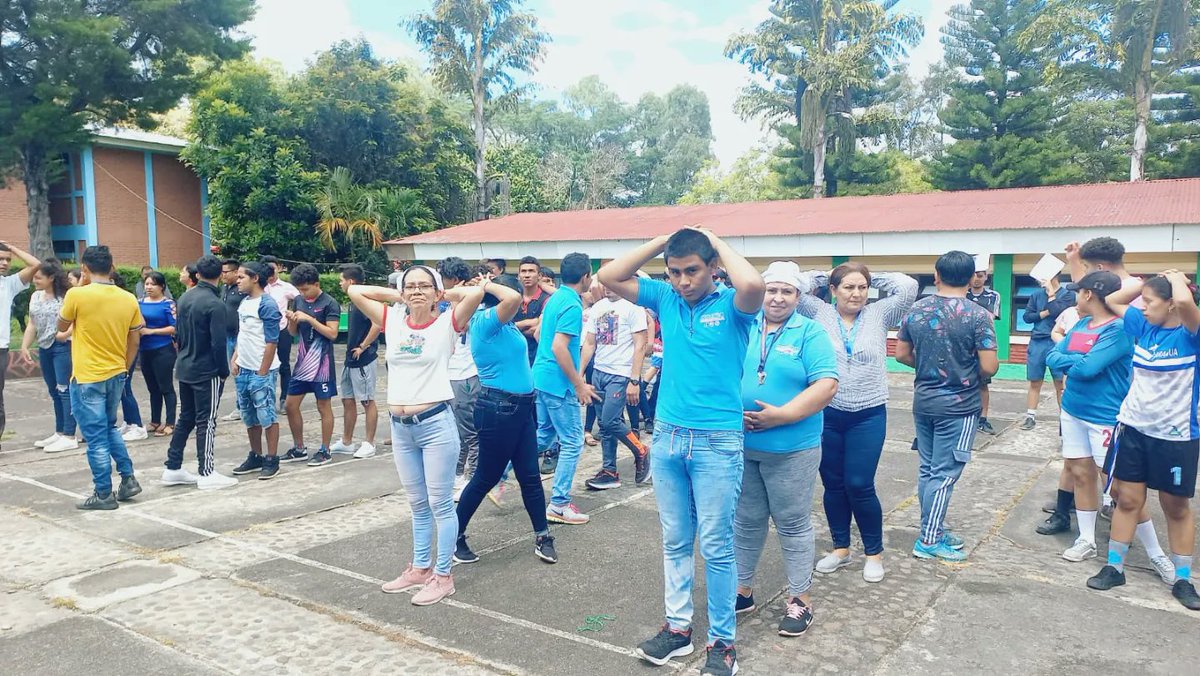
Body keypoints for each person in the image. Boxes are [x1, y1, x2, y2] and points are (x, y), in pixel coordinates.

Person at [599, 227, 765, 676]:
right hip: (670, 436)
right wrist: (659, 240)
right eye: (674, 273)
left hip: (717, 440)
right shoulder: (665, 298)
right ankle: (677, 629)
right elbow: (610, 275)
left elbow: (753, 285)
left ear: (713, 267)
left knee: (716, 544)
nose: (683, 281)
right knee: (675, 539)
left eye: (692, 271)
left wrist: (715, 240)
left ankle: (722, 643)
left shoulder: (733, 306)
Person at [347, 266, 484, 607]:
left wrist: (437, 295)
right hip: (400, 428)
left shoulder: (447, 323)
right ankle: (420, 568)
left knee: (440, 505)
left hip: (436, 425)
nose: (416, 291)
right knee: (417, 504)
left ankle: (443, 576)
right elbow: (354, 292)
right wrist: (401, 295)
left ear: (438, 292)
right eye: (411, 286)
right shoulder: (393, 320)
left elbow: (476, 294)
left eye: (424, 286)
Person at [734, 261, 838, 637]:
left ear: (798, 297)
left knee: (792, 524)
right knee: (745, 521)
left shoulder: (810, 332)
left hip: (792, 447)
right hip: (742, 446)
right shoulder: (744, 326)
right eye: (771, 290)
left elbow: (826, 384)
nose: (777, 298)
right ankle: (742, 589)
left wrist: (782, 416)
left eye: (786, 291)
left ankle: (800, 599)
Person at [798, 263, 919, 583]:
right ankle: (840, 548)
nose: (856, 293)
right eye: (848, 287)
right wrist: (829, 274)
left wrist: (866, 274)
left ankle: (874, 553)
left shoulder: (879, 314)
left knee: (859, 484)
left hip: (868, 412)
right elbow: (796, 285)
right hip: (826, 411)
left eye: (862, 288)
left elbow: (907, 286)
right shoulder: (819, 312)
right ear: (834, 291)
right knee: (833, 484)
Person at [1087, 273, 1200, 609]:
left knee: (1175, 506)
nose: (1144, 307)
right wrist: (1147, 282)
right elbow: (1115, 301)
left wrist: (1177, 278)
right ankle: (1114, 567)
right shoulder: (1143, 328)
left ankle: (1182, 578)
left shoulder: (1191, 335)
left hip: (1176, 437)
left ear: (1171, 304)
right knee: (1128, 500)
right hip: (1133, 429)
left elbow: (1184, 303)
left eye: (1151, 302)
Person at [896, 250, 999, 562]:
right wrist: (962, 371)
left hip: (924, 401)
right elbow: (991, 366)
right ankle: (929, 540)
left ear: (936, 276)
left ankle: (933, 529)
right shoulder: (978, 315)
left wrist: (929, 366)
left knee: (929, 469)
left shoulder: (916, 310)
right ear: (971, 279)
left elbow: (901, 354)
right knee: (945, 473)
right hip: (959, 406)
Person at [453, 274, 559, 565]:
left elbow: (521, 310)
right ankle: (455, 536)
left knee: (530, 477)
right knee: (485, 477)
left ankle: (542, 535)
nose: (521, 300)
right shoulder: (484, 322)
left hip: (521, 408)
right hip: (498, 409)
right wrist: (484, 285)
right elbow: (512, 299)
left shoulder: (506, 325)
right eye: (514, 293)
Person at [1041, 271, 1132, 562]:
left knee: (1117, 484)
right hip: (1073, 410)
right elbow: (1052, 358)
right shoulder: (1080, 324)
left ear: (1089, 294)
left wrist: (1076, 361)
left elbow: (1088, 369)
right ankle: (1086, 539)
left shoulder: (1118, 329)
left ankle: (1146, 548)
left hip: (1104, 416)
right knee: (1081, 474)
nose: (1075, 296)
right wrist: (1080, 360)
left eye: (1078, 291)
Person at [58, 245, 143, 509]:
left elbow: (61, 326)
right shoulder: (128, 298)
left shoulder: (76, 295)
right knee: (108, 427)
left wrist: (82, 285)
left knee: (95, 436)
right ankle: (128, 478)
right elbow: (135, 337)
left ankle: (104, 493)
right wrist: (125, 367)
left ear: (84, 268)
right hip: (116, 372)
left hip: (87, 376)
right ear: (112, 267)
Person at [530, 253, 601, 525]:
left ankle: (498, 478)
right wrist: (578, 383)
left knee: (545, 434)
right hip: (559, 384)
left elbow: (539, 335)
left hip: (542, 378)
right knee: (572, 441)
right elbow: (559, 347)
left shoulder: (554, 299)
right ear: (585, 277)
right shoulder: (571, 305)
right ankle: (559, 504)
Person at [164, 255, 234, 490]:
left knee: (186, 417)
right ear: (220, 275)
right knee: (207, 420)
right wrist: (223, 371)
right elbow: (218, 343)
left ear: (197, 274)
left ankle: (172, 467)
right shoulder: (215, 304)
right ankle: (206, 472)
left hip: (185, 365)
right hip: (206, 370)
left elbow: (178, 334)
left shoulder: (185, 297)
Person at [579, 280, 650, 490]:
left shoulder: (633, 308)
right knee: (604, 425)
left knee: (610, 421)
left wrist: (634, 380)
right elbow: (590, 343)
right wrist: (580, 374)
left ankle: (641, 450)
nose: (607, 288)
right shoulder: (598, 308)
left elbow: (640, 345)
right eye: (604, 284)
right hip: (599, 372)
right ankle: (609, 471)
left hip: (620, 374)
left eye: (612, 283)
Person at [282, 263, 341, 466]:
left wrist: (310, 319)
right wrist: (292, 320)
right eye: (299, 289)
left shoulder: (329, 303)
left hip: (322, 364)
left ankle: (325, 450)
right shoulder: (298, 300)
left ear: (316, 284)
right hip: (301, 362)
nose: (302, 293)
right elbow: (293, 333)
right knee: (290, 405)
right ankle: (299, 448)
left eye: (306, 289)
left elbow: (332, 334)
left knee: (323, 405)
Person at [230, 262, 284, 480]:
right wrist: (235, 358)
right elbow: (243, 335)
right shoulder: (244, 302)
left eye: (242, 276)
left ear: (255, 278)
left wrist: (263, 372)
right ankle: (256, 455)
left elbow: (272, 341)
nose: (237, 279)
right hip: (244, 367)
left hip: (262, 370)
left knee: (266, 414)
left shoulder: (267, 304)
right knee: (249, 415)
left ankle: (272, 458)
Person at [22, 260, 78, 453]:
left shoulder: (66, 296)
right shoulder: (35, 296)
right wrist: (25, 346)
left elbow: (76, 320)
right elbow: (32, 323)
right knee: (54, 391)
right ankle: (59, 431)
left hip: (62, 346)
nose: (34, 280)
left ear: (51, 278)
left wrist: (65, 334)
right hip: (44, 347)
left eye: (38, 277)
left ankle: (70, 435)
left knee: (64, 390)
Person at [436, 257, 480, 497]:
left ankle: (470, 478)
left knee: (469, 432)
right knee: (454, 431)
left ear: (453, 280)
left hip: (465, 373)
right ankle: (456, 474)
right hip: (448, 372)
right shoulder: (445, 303)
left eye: (442, 279)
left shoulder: (471, 300)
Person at [330, 264, 381, 460]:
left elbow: (378, 323)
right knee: (347, 399)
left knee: (367, 400)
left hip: (363, 358)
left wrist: (364, 346)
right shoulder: (353, 301)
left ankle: (369, 442)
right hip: (350, 359)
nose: (340, 284)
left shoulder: (366, 301)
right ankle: (347, 441)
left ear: (351, 282)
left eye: (341, 280)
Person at [1019, 274, 1077, 431]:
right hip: (1038, 341)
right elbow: (1027, 317)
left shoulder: (1068, 295)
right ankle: (1030, 416)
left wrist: (1051, 294)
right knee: (1035, 380)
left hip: (1058, 341)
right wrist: (1043, 313)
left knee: (1060, 382)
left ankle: (1064, 419)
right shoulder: (1036, 295)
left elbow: (1058, 312)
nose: (1040, 278)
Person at [0, 240, 39, 446]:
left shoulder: (9, 284)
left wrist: (11, 248)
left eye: (7, 260)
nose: (4, 263)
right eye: (1, 259)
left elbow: (35, 265)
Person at [137, 271, 178, 437]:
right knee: (152, 388)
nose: (149, 287)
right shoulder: (139, 302)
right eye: (146, 284)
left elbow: (174, 327)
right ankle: (155, 421)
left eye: (152, 284)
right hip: (144, 350)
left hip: (163, 349)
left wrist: (151, 332)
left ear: (161, 286)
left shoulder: (168, 304)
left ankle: (170, 423)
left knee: (165, 387)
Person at [966, 269, 1002, 434]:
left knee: (983, 383)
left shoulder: (992, 296)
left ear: (986, 277)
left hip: (982, 343)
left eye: (980, 276)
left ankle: (983, 418)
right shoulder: (963, 294)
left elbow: (990, 316)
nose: (976, 279)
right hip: (964, 343)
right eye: (974, 276)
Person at [263, 256, 299, 410]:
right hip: (263, 333)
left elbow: (300, 299)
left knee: (284, 366)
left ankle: (285, 398)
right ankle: (266, 400)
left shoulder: (285, 287)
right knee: (264, 365)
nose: (272, 273)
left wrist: (294, 315)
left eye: (274, 268)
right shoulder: (260, 286)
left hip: (282, 330)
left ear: (278, 268)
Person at [514, 256, 552, 366]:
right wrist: (529, 323)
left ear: (539, 276)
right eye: (523, 271)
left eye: (531, 271)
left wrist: (513, 328)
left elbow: (539, 331)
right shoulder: (512, 298)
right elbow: (502, 328)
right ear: (518, 276)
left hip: (538, 360)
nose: (527, 275)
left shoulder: (547, 299)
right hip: (514, 360)